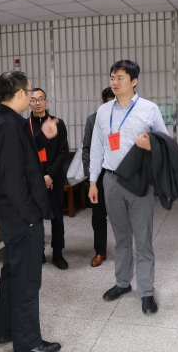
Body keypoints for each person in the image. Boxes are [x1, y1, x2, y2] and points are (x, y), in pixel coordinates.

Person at [0, 70, 61, 352]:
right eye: (29, 91)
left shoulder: (4, 119)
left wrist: (42, 136)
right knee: (27, 281)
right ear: (19, 93)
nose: (31, 96)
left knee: (12, 273)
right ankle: (28, 343)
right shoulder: (6, 125)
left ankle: (6, 331)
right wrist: (30, 216)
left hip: (11, 214)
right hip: (20, 216)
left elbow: (22, 154)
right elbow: (13, 177)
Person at [88, 60, 167, 315]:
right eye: (112, 77)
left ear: (134, 81)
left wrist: (150, 145)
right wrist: (93, 181)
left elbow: (164, 144)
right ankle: (122, 283)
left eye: (120, 77)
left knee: (142, 239)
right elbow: (97, 148)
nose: (114, 82)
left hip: (140, 180)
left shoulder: (149, 109)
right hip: (111, 180)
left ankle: (146, 291)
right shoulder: (104, 111)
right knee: (121, 237)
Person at [29, 87, 70, 270]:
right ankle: (38, 251)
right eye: (33, 99)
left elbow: (63, 152)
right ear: (28, 103)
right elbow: (26, 156)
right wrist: (39, 178)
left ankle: (58, 253)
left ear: (46, 102)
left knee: (57, 218)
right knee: (35, 219)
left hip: (55, 179)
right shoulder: (24, 126)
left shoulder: (57, 123)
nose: (37, 103)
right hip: (33, 182)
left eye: (40, 99)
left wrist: (51, 175)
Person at [82, 86, 115, 267]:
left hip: (118, 174)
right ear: (102, 103)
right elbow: (87, 149)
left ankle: (124, 249)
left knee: (122, 215)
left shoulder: (124, 118)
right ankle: (100, 251)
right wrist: (90, 176)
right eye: (108, 104)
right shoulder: (93, 119)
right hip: (99, 174)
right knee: (98, 215)